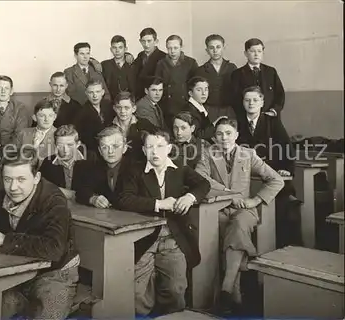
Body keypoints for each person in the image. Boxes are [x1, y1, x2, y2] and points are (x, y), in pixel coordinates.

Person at [0, 146, 79, 319]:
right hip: (18, 271)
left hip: (56, 273)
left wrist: (6, 240)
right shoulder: (4, 193)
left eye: (21, 179)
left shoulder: (54, 201)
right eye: (7, 179)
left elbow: (54, 248)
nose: (13, 187)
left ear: (36, 177)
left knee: (47, 315)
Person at [195, 118, 283, 314]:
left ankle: (226, 287)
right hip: (217, 209)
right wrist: (229, 194)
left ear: (236, 135)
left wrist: (256, 200)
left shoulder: (248, 155)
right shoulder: (208, 154)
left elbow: (276, 180)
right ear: (214, 137)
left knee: (239, 225)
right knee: (229, 230)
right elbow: (200, 179)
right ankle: (233, 292)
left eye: (228, 133)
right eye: (219, 134)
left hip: (244, 210)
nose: (224, 137)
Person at [117, 129, 211, 316]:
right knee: (135, 296)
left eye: (160, 146)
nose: (155, 151)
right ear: (143, 150)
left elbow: (204, 184)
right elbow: (124, 199)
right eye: (150, 147)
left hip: (173, 239)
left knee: (176, 290)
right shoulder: (135, 170)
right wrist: (159, 204)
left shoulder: (180, 169)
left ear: (169, 148)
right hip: (144, 240)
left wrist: (190, 197)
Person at [236, 86, 302, 247]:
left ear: (262, 103)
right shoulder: (237, 123)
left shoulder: (272, 121)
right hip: (247, 174)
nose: (251, 103)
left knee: (282, 203)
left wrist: (287, 168)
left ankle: (282, 245)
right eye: (247, 100)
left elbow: (287, 146)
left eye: (255, 100)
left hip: (271, 171)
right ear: (242, 102)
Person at [76, 126, 133, 208]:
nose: (110, 151)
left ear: (124, 148)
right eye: (105, 147)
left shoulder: (135, 169)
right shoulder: (94, 167)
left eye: (115, 146)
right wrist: (93, 199)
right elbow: (81, 191)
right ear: (100, 151)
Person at [231, 38, 285, 121]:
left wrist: (274, 111)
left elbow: (280, 94)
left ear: (263, 53)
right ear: (245, 53)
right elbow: (235, 99)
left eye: (259, 51)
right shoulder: (237, 74)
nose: (256, 54)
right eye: (252, 51)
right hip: (247, 119)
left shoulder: (271, 71)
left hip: (270, 117)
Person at [39, 125, 89, 201]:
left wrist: (70, 194)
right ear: (55, 145)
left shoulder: (90, 160)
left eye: (70, 145)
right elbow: (41, 188)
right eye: (60, 145)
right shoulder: (48, 163)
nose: (65, 150)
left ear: (78, 144)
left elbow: (95, 188)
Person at [193, 34, 237, 120]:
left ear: (223, 48)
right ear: (207, 50)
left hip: (229, 109)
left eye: (218, 47)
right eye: (211, 48)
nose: (215, 51)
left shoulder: (232, 68)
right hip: (208, 110)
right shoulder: (200, 70)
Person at [0, 75, 31, 145]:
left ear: (11, 91)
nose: (3, 91)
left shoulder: (20, 108)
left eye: (6, 88)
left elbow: (20, 135)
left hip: (13, 150)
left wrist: (7, 151)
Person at [155, 35, 198, 114]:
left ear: (181, 47)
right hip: (167, 105)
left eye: (175, 48)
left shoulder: (191, 62)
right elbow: (158, 84)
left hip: (185, 105)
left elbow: (195, 85)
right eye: (169, 48)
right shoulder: (161, 63)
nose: (172, 51)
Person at [111, 91, 156, 161]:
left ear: (134, 109)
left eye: (127, 108)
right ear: (114, 108)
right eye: (119, 107)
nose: (122, 111)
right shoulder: (109, 127)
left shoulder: (144, 124)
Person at [73, 80, 115, 152]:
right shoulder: (81, 113)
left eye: (97, 92)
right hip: (93, 150)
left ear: (103, 92)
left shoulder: (109, 106)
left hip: (112, 145)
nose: (95, 95)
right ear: (86, 93)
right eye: (91, 92)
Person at [132, 27, 167, 100]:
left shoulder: (163, 57)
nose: (146, 44)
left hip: (156, 98)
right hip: (140, 97)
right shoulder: (140, 55)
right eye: (143, 41)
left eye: (149, 41)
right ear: (140, 41)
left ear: (156, 41)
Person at [182, 76, 215, 142]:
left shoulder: (199, 107)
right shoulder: (189, 111)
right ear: (190, 93)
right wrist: (214, 125)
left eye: (206, 89)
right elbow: (198, 135)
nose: (204, 93)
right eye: (199, 90)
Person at [101, 35, 135, 99]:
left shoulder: (133, 65)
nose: (117, 50)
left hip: (129, 103)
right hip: (110, 103)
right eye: (114, 47)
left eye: (120, 47)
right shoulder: (105, 65)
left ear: (125, 49)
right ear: (111, 49)